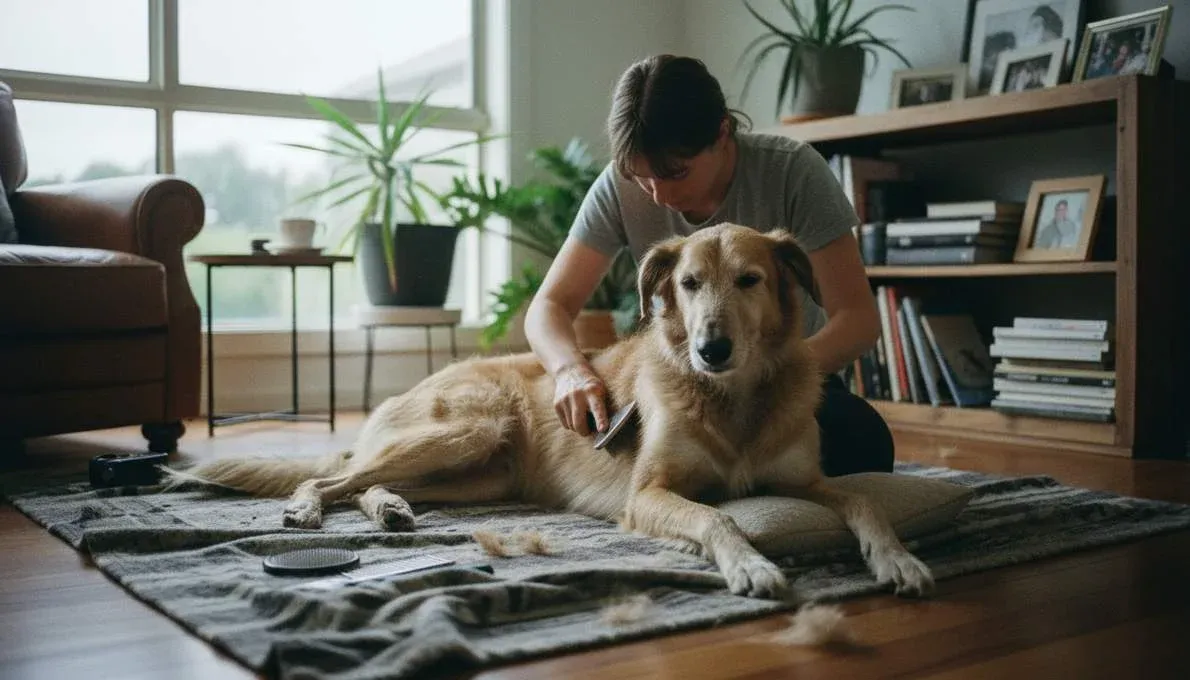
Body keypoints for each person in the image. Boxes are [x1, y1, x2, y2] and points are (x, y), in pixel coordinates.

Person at [523, 54, 892, 478]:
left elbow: (857, 319)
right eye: (641, 178)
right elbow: (549, 305)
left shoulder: (793, 171)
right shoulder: (618, 186)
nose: (657, 195)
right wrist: (569, 371)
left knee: (865, 445)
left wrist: (773, 372)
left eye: (675, 173)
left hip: (785, 379)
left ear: (722, 133)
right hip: (681, 381)